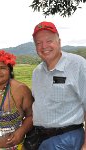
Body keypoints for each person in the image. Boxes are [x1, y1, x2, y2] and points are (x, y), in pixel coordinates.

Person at [31, 21, 86, 150]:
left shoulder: (78, 65)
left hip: (68, 139)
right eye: (39, 43)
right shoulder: (37, 72)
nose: (44, 46)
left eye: (49, 40)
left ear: (59, 42)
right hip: (41, 139)